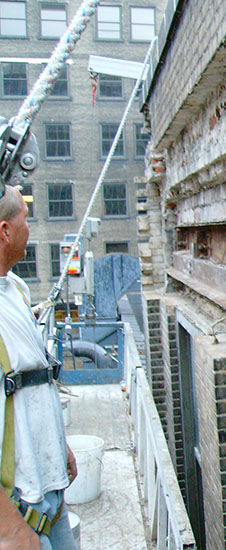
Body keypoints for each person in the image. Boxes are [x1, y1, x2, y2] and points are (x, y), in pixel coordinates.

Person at [0, 184, 78, 550]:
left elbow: (32, 385)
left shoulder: (14, 289)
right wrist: (12, 532)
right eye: (25, 219)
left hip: (50, 500)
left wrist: (59, 449)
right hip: (19, 520)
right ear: (5, 230)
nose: (29, 228)